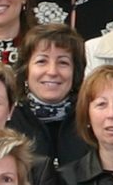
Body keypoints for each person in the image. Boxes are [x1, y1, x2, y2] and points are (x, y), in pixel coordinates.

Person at [9, 25, 89, 170]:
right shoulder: (9, 121)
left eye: (63, 62)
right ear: (26, 69)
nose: (52, 71)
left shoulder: (89, 120)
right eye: (42, 61)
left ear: (75, 71)